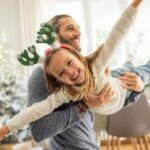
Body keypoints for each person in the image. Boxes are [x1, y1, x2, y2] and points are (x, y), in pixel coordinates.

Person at [0, 0, 148, 146]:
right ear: (58, 80)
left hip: (117, 91)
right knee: (123, 72)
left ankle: (130, 63)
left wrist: (138, 89)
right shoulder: (58, 86)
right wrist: (6, 128)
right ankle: (130, 63)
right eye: (70, 28)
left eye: (70, 62)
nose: (78, 32)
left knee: (132, 72)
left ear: (75, 57)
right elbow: (35, 116)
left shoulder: (93, 66)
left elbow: (117, 34)